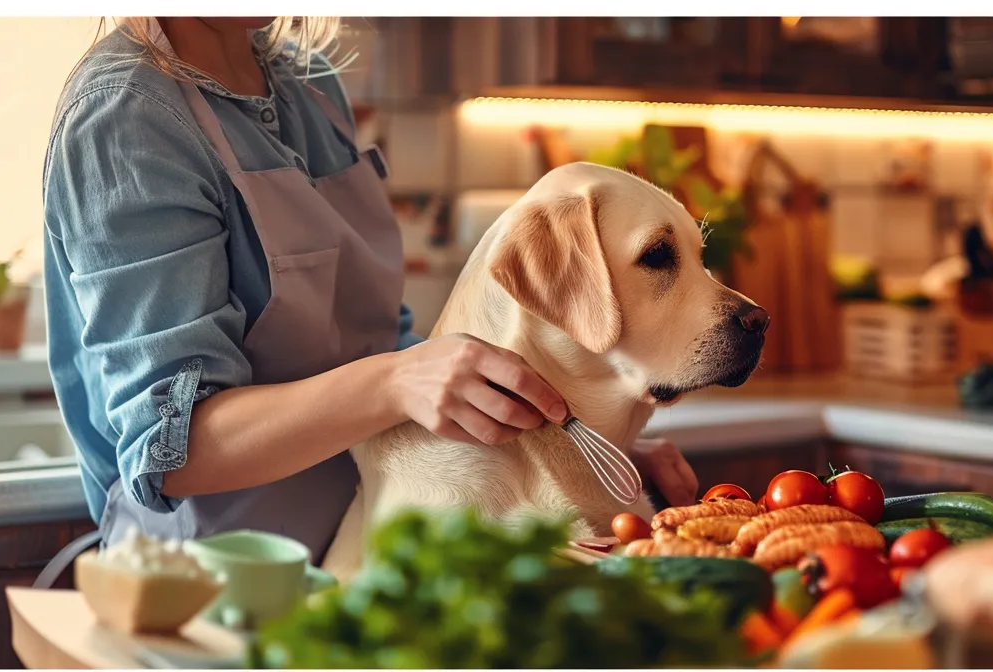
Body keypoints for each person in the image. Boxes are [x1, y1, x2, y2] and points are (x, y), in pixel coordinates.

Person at [41, 17, 698, 561]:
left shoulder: (308, 83)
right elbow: (173, 449)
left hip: (366, 557)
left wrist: (568, 443)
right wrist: (394, 380)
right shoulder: (125, 117)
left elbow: (382, 342)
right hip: (216, 595)